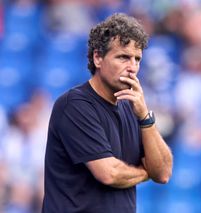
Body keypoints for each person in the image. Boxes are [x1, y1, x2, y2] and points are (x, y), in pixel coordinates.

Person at [42, 13, 173, 213]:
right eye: (123, 57)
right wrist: (146, 172)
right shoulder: (75, 105)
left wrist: (145, 117)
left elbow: (163, 173)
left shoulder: (132, 108)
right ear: (98, 58)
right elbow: (109, 173)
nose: (132, 67)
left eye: (137, 59)